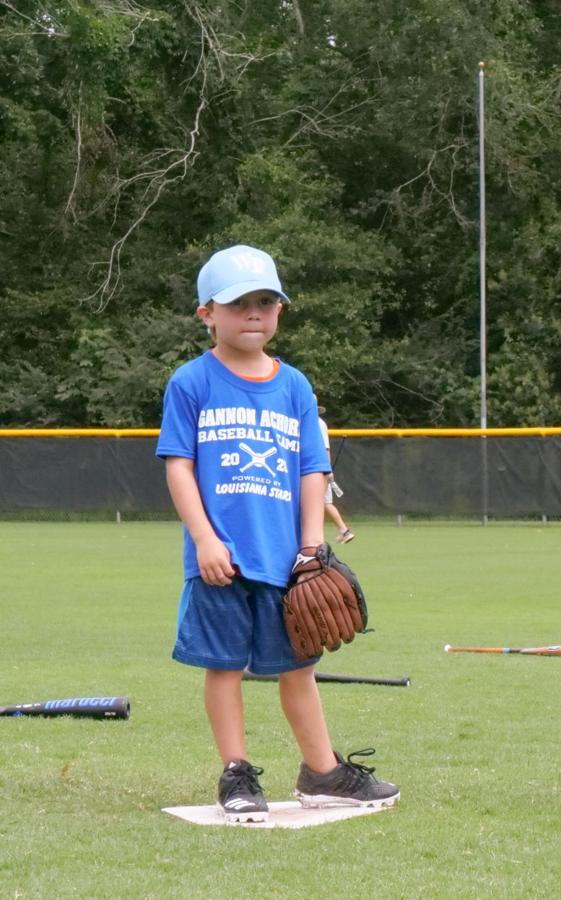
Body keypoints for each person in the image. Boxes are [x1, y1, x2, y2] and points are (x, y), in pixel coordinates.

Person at [156, 244, 398, 823]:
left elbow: (314, 469)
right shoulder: (191, 383)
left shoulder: (293, 387)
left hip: (287, 560)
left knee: (300, 668)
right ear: (207, 314)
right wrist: (205, 540)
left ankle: (322, 771)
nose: (254, 313)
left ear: (280, 311)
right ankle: (236, 773)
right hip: (222, 559)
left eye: (266, 301)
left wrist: (312, 546)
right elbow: (178, 466)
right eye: (238, 304)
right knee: (224, 665)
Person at [316, 398, 355, 544]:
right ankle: (343, 530)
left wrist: (327, 469)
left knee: (322, 502)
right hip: (318, 468)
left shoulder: (318, 424)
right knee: (324, 502)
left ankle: (342, 531)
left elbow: (326, 448)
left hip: (319, 469)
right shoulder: (309, 423)